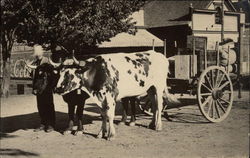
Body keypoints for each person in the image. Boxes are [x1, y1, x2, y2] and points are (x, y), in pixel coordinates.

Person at [31, 45, 56, 132]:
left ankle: (51, 124)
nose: (35, 55)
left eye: (36, 53)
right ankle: (43, 123)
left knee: (48, 105)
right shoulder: (35, 62)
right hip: (39, 88)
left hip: (47, 87)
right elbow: (34, 77)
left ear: (39, 52)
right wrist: (34, 88)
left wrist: (52, 86)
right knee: (40, 105)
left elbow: (51, 75)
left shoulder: (46, 61)